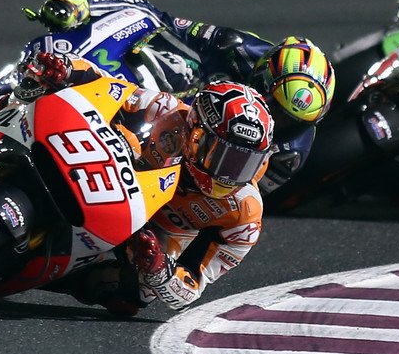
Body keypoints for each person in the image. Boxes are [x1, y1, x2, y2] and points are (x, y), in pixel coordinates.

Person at [0, 0, 335, 195]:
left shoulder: (290, 152)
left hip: (184, 165)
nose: (278, 118)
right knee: (63, 59)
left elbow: (241, 195)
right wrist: (85, 9)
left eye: (292, 119)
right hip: (168, 99)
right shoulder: (240, 47)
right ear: (264, 72)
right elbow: (161, 19)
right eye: (275, 104)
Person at [15, 50, 275, 316]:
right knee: (37, 93)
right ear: (197, 134)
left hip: (149, 236)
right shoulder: (166, 110)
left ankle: (35, 274)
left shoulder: (244, 216)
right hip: (109, 177)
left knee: (137, 295)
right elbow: (109, 87)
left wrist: (160, 270)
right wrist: (68, 68)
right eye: (224, 157)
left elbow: (192, 287)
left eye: (246, 162)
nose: (230, 173)